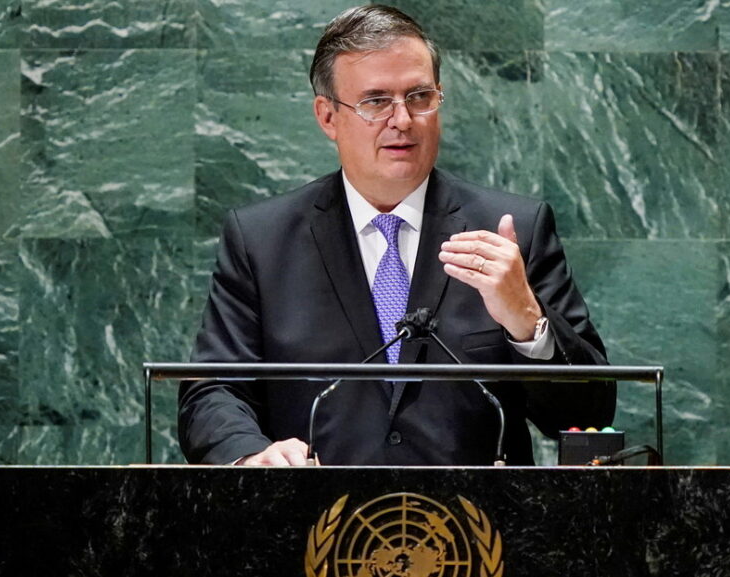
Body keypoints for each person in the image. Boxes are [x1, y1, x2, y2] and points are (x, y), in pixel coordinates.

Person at [179, 4, 614, 466]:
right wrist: (252, 456)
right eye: (376, 101)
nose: (403, 120)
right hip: (315, 526)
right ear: (327, 117)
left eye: (420, 96)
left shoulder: (513, 231)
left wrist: (528, 323)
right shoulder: (261, 241)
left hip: (479, 528)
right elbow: (212, 391)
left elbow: (588, 415)